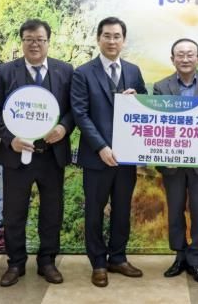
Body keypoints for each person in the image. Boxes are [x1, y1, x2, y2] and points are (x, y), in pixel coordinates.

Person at [0, 19, 74, 287]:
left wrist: (63, 127)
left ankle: (47, 262)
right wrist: (9, 138)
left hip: (52, 155)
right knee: (14, 214)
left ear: (48, 41)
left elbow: (74, 109)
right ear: (22, 41)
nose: (34, 44)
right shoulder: (5, 71)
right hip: (17, 156)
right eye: (29, 39)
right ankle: (15, 263)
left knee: (52, 212)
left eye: (40, 39)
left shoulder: (65, 70)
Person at [71, 16, 148, 287]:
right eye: (107, 35)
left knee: (122, 209)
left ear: (123, 40)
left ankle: (118, 257)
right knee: (94, 211)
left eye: (117, 36)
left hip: (126, 158)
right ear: (98, 38)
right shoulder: (82, 73)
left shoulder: (133, 71)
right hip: (96, 157)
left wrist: (137, 99)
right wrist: (101, 147)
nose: (112, 41)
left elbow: (146, 107)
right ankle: (98, 263)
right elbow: (80, 114)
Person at [153, 38, 198, 285]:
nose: (185, 59)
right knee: (175, 211)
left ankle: (196, 259)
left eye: (190, 54)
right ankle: (180, 255)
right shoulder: (161, 87)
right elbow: (154, 120)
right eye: (180, 55)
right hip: (172, 162)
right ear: (172, 59)